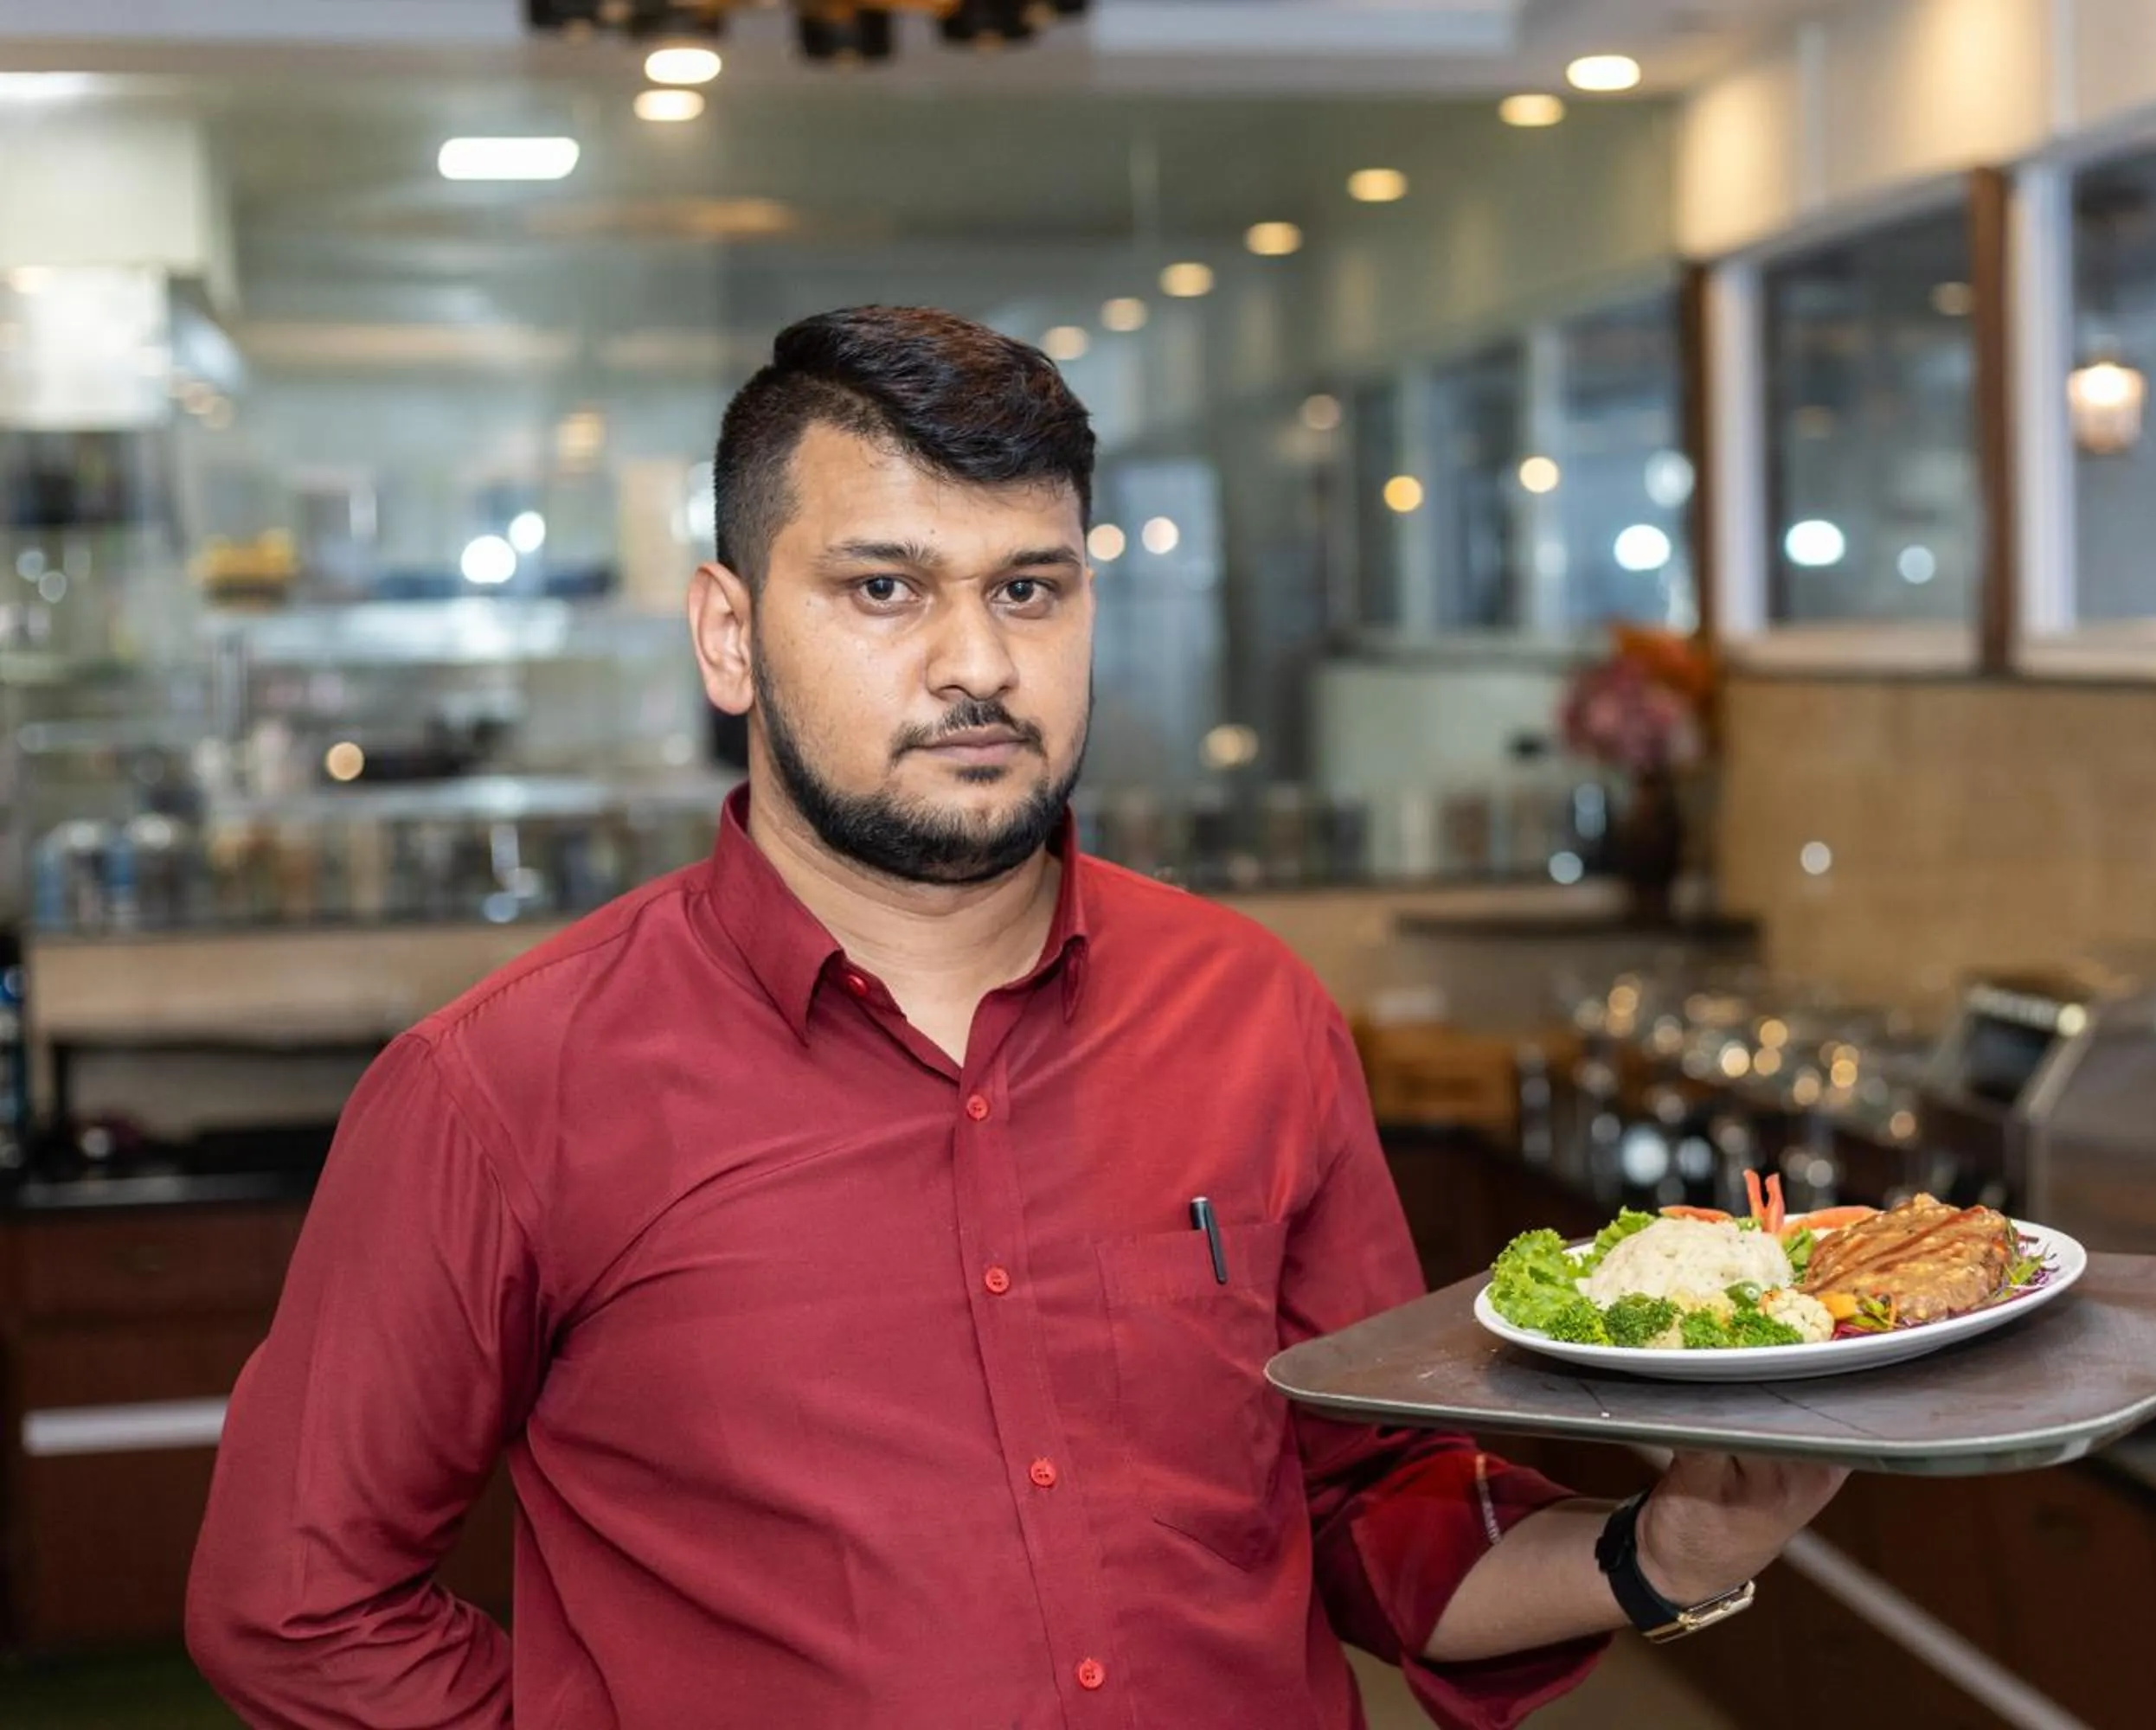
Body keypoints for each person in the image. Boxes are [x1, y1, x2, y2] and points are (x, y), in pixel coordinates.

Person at [186, 305, 1842, 1728]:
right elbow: (295, 1602)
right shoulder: (501, 1088)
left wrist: (1664, 1556)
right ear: (727, 634)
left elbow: (1362, 1509)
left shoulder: (1251, 1011)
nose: (977, 663)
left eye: (1031, 590)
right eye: (886, 590)